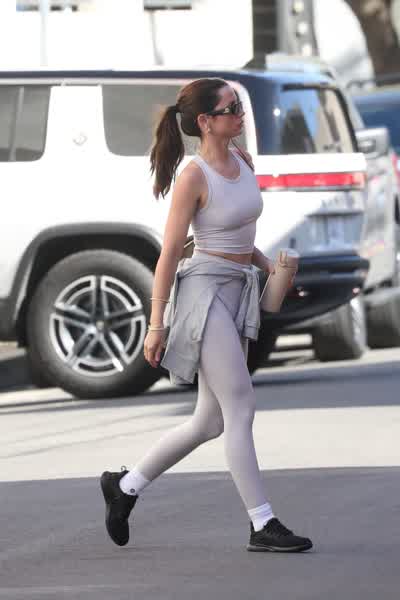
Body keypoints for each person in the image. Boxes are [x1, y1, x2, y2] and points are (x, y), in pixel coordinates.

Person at [100, 78, 313, 553]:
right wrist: (156, 325)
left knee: (209, 422)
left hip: (239, 289)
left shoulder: (243, 161)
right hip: (204, 293)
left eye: (239, 107)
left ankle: (124, 486)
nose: (240, 115)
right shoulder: (193, 177)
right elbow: (170, 254)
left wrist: (269, 267)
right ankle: (262, 523)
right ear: (205, 122)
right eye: (230, 108)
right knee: (241, 404)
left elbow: (236, 236)